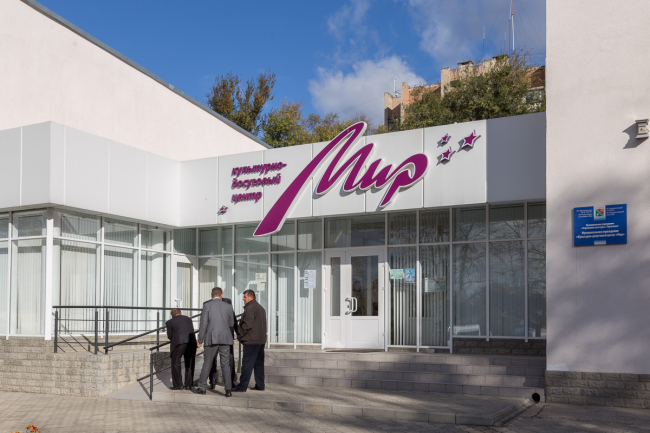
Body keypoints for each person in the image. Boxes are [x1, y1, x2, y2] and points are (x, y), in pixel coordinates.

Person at [196, 287, 235, 397]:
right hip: (225, 338)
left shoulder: (207, 305)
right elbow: (231, 323)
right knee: (225, 364)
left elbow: (203, 324)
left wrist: (200, 339)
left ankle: (202, 388)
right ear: (222, 294)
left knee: (207, 363)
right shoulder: (228, 306)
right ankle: (228, 390)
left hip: (211, 338)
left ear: (211, 295)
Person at [233, 290, 266, 392]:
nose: (243, 299)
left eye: (245, 297)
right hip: (260, 341)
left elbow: (247, 325)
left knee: (247, 364)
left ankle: (242, 387)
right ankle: (260, 385)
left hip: (251, 341)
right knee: (259, 365)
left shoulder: (250, 308)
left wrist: (239, 335)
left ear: (251, 297)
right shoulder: (261, 308)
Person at [207, 296, 239, 390]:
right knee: (226, 360)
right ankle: (224, 382)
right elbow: (233, 322)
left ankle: (217, 381)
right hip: (225, 337)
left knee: (224, 360)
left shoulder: (210, 305)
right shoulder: (227, 305)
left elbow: (234, 321)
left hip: (218, 337)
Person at [165, 308, 196, 390]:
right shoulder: (188, 319)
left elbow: (170, 336)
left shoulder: (169, 322)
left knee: (176, 363)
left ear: (172, 316)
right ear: (181, 313)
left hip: (178, 342)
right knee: (190, 363)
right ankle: (188, 385)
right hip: (191, 341)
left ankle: (178, 385)